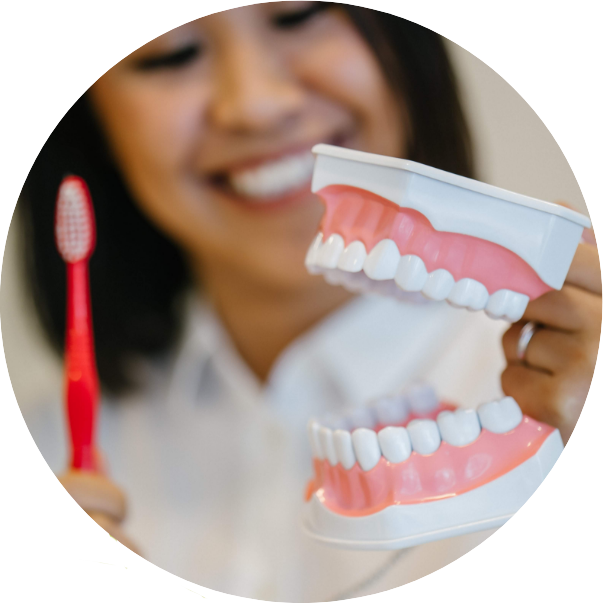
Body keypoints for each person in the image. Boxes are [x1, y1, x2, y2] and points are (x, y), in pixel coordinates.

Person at [10, 3, 601, 601]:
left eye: (298, 15)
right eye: (173, 53)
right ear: (91, 124)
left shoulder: (578, 407)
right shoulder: (30, 472)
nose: (256, 103)